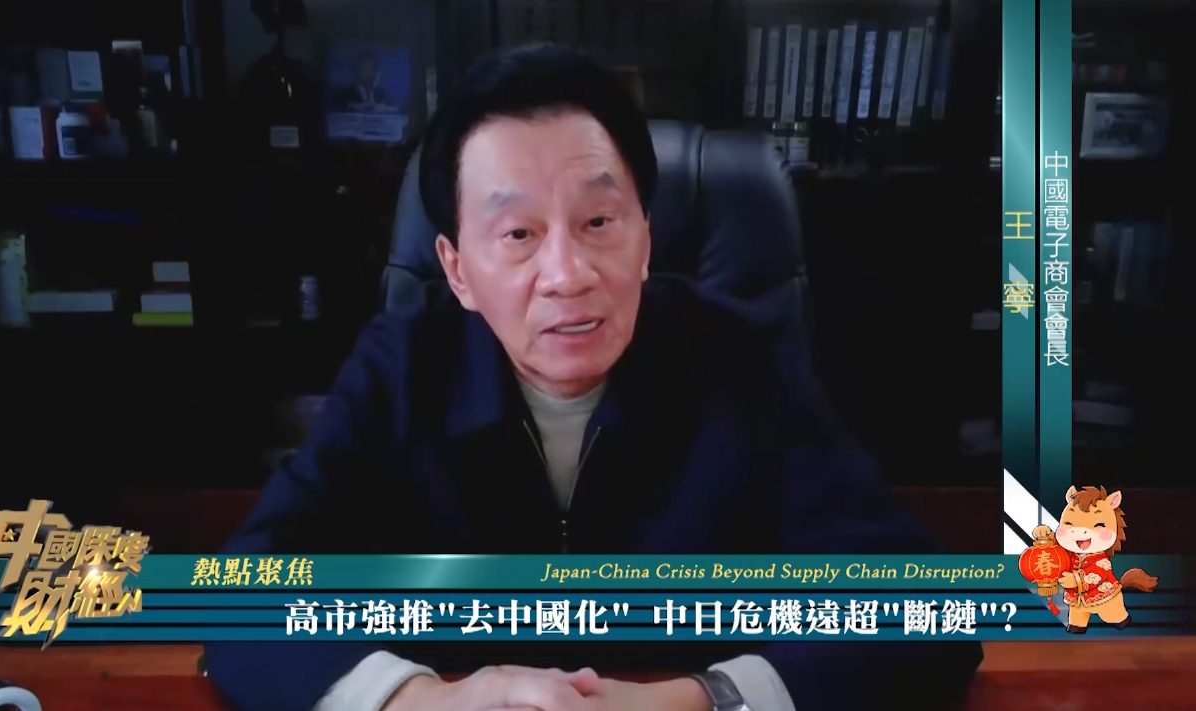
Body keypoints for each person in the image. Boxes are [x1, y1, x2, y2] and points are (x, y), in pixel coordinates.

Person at [205, 43, 983, 711]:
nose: (567, 273)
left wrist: (695, 697)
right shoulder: (403, 367)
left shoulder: (740, 358)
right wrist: (427, 698)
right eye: (518, 233)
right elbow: (239, 595)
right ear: (458, 269)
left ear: (646, 236)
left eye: (599, 222)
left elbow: (927, 609)